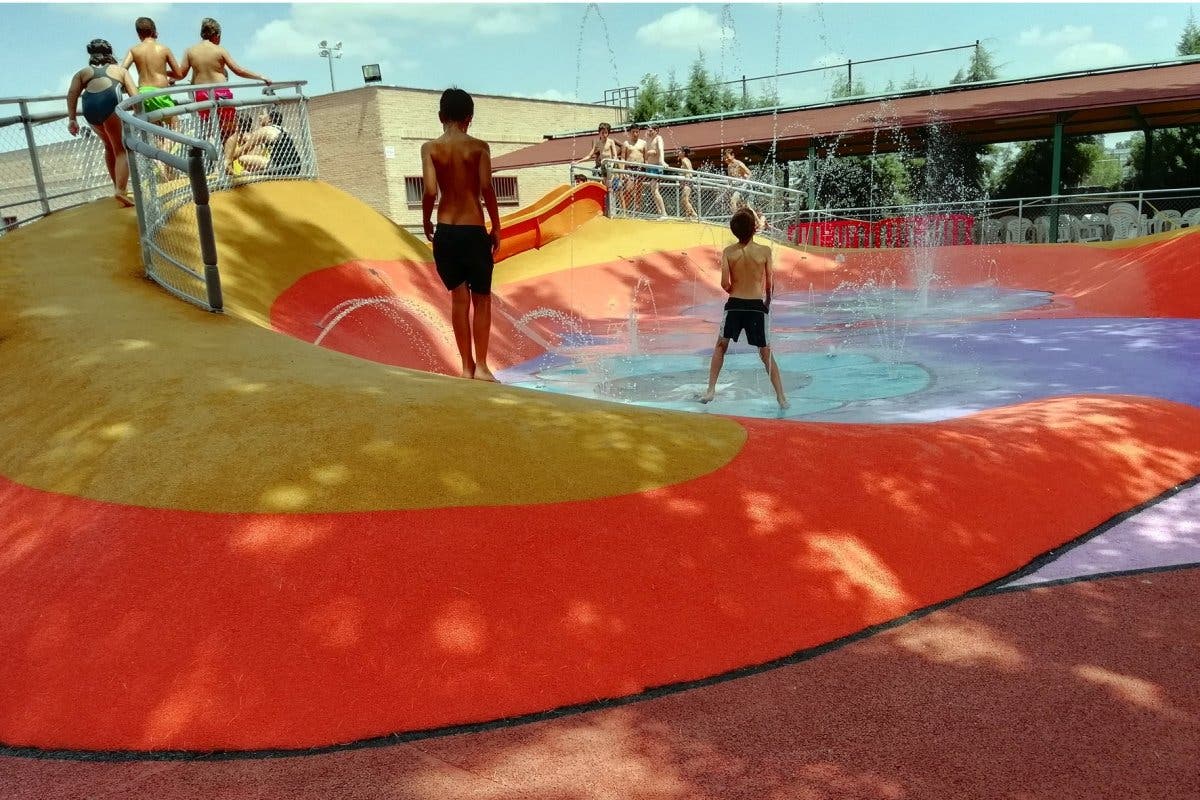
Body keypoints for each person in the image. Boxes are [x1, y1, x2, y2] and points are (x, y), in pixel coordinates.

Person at [421, 88, 502, 382]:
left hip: (446, 231)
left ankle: (465, 368)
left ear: (441, 116)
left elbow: (430, 190)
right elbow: (486, 189)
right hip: (473, 230)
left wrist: (426, 220)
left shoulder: (430, 149)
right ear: (470, 118)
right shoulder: (480, 147)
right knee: (481, 298)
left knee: (458, 298)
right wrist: (497, 225)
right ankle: (481, 366)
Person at [699, 207, 788, 409]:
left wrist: (733, 290)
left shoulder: (729, 252)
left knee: (721, 346)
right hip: (756, 306)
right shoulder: (765, 251)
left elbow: (724, 283)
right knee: (765, 352)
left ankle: (710, 390)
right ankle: (781, 397)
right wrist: (767, 302)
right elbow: (769, 283)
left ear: (734, 230)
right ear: (754, 229)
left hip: (735, 305)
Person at [66, 39, 139, 207]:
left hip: (90, 109)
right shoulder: (120, 71)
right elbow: (134, 95)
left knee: (108, 146)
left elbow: (72, 94)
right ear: (110, 53)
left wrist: (72, 119)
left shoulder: (82, 73)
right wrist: (137, 113)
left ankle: (117, 186)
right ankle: (121, 190)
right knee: (121, 150)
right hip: (111, 106)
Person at [178, 18, 271, 141]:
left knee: (207, 130)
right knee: (231, 130)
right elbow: (238, 70)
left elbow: (181, 74)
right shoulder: (220, 50)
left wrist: (169, 78)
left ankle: (211, 158)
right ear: (216, 35)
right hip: (220, 93)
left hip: (201, 94)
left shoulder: (190, 51)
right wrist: (260, 76)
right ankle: (227, 159)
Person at [122, 17, 182, 127]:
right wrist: (164, 72)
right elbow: (179, 74)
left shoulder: (134, 50)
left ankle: (160, 144)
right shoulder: (164, 49)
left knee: (157, 134)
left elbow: (122, 71)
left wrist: (127, 87)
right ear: (154, 30)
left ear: (138, 34)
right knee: (176, 129)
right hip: (159, 94)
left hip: (142, 94)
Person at [227, 107, 302, 176]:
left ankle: (252, 174)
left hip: (280, 167)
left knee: (242, 159)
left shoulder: (264, 131)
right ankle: (253, 173)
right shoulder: (283, 129)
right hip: (296, 165)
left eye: (262, 114)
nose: (259, 117)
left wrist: (228, 158)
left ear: (269, 118)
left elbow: (244, 150)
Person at [575, 121, 619, 188]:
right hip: (603, 165)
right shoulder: (598, 143)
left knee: (610, 184)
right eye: (602, 133)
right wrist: (578, 161)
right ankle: (607, 197)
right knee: (605, 185)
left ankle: (611, 195)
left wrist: (613, 163)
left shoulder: (610, 141)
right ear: (599, 133)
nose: (604, 135)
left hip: (610, 164)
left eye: (606, 133)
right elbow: (590, 155)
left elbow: (615, 155)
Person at [620, 123, 647, 215]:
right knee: (628, 189)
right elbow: (623, 157)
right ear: (630, 132)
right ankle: (625, 211)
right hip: (629, 168)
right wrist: (622, 171)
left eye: (637, 132)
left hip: (640, 168)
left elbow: (646, 158)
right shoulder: (626, 143)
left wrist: (646, 171)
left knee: (639, 191)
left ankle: (638, 212)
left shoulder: (643, 143)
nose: (635, 134)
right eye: (633, 132)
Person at [643, 122, 668, 217]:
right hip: (650, 167)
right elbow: (647, 153)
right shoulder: (649, 139)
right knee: (653, 191)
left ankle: (664, 213)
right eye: (649, 130)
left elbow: (661, 150)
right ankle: (659, 212)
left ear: (656, 130)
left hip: (656, 166)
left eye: (651, 130)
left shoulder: (658, 138)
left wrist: (662, 161)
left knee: (655, 190)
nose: (649, 132)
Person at [722, 148, 753, 213]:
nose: (726, 160)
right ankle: (754, 221)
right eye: (725, 158)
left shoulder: (739, 164)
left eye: (727, 157)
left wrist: (745, 184)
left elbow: (749, 174)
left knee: (733, 201)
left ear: (733, 155)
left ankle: (735, 218)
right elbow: (730, 179)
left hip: (744, 186)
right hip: (737, 187)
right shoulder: (729, 166)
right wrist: (729, 186)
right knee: (747, 207)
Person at [677, 145, 698, 220]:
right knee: (685, 199)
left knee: (684, 199)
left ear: (683, 153)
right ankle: (689, 216)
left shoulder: (684, 160)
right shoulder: (686, 160)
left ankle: (694, 214)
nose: (678, 153)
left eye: (679, 151)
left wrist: (688, 179)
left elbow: (690, 170)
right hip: (688, 182)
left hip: (688, 182)